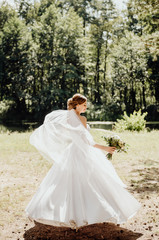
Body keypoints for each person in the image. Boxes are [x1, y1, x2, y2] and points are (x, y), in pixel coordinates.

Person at [25, 93, 141, 229]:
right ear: (77, 104)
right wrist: (106, 148)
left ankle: (63, 211)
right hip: (82, 151)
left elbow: (76, 136)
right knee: (94, 179)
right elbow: (88, 142)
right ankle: (97, 211)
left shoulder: (67, 119)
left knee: (67, 181)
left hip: (73, 150)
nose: (86, 107)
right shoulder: (81, 119)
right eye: (84, 104)